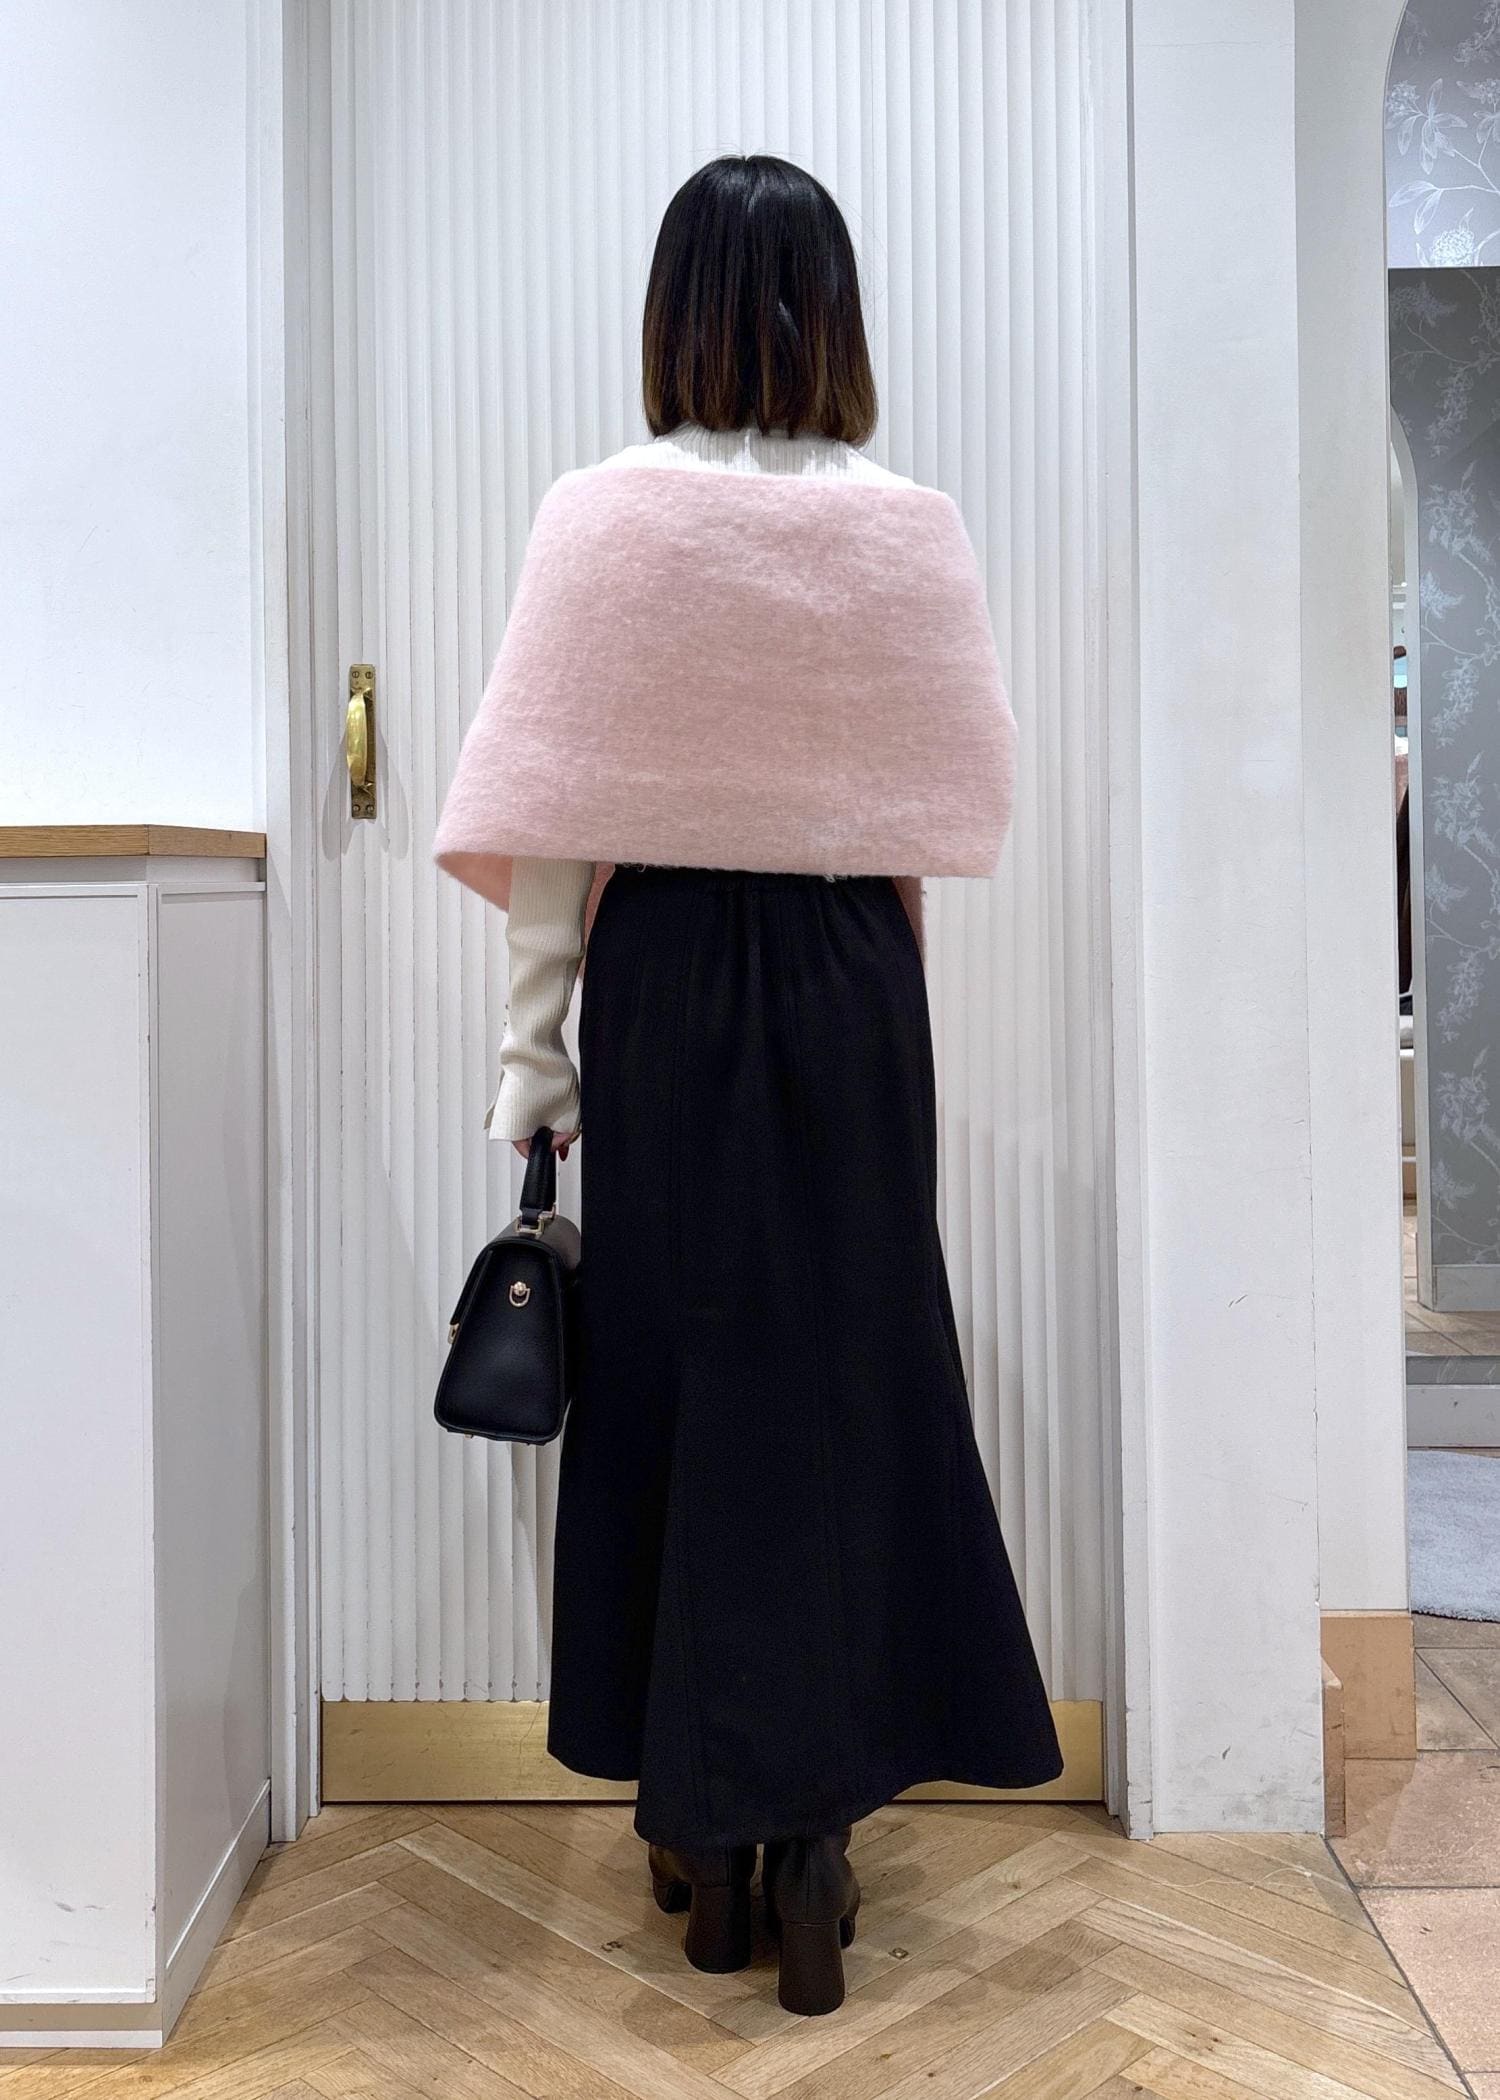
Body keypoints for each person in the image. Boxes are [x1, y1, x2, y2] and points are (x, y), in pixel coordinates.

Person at [434, 152, 1061, 2017]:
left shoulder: (604, 522)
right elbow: (933, 810)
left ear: (674, 311)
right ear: (836, 314)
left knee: (676, 1378)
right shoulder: (910, 530)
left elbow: (556, 826)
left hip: (666, 985)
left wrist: (533, 1059)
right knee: (848, 1376)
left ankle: (706, 1838)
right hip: (855, 987)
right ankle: (815, 1841)